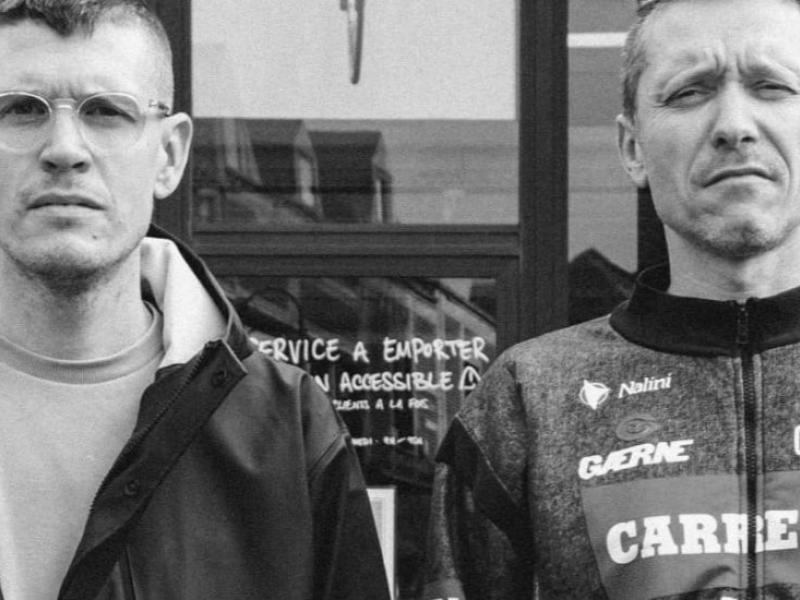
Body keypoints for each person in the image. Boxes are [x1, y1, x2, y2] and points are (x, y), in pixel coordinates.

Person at [0, 1, 390, 599]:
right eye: (21, 109)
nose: (64, 149)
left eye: (107, 112)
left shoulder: (287, 429)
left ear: (170, 155)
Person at [422, 0, 800, 598]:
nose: (734, 125)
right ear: (632, 149)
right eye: (689, 92)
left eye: (772, 86)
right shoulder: (531, 396)